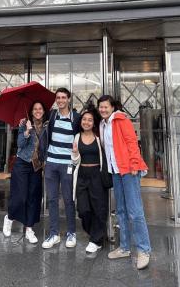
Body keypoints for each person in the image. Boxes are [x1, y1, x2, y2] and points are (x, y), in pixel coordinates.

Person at [98, 95, 152, 270]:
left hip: (129, 170)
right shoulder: (103, 124)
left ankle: (144, 250)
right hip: (115, 171)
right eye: (101, 107)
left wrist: (135, 163)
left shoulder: (121, 120)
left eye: (106, 107)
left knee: (135, 212)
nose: (103, 109)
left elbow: (131, 142)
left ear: (113, 107)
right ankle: (125, 248)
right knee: (121, 210)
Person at [38, 88, 81, 250]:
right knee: (52, 200)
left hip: (67, 165)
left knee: (69, 199)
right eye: (58, 98)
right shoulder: (51, 115)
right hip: (51, 163)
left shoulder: (76, 118)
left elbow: (83, 133)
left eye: (63, 97)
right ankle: (54, 234)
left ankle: (71, 232)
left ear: (69, 99)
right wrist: (24, 123)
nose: (61, 100)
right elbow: (35, 117)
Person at [2, 100, 46, 244]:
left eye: (40, 109)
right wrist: (27, 131)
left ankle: (29, 229)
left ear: (43, 111)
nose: (38, 111)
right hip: (22, 163)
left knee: (33, 197)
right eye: (35, 109)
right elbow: (20, 144)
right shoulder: (24, 124)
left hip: (36, 166)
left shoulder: (46, 127)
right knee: (20, 196)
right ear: (32, 111)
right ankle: (9, 218)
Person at [70, 107, 111, 253]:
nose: (86, 122)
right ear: (81, 121)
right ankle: (94, 233)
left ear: (94, 123)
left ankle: (96, 240)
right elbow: (75, 162)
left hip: (97, 176)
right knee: (83, 210)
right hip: (81, 175)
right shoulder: (76, 137)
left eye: (90, 120)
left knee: (99, 209)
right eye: (84, 119)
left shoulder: (99, 138)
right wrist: (75, 153)